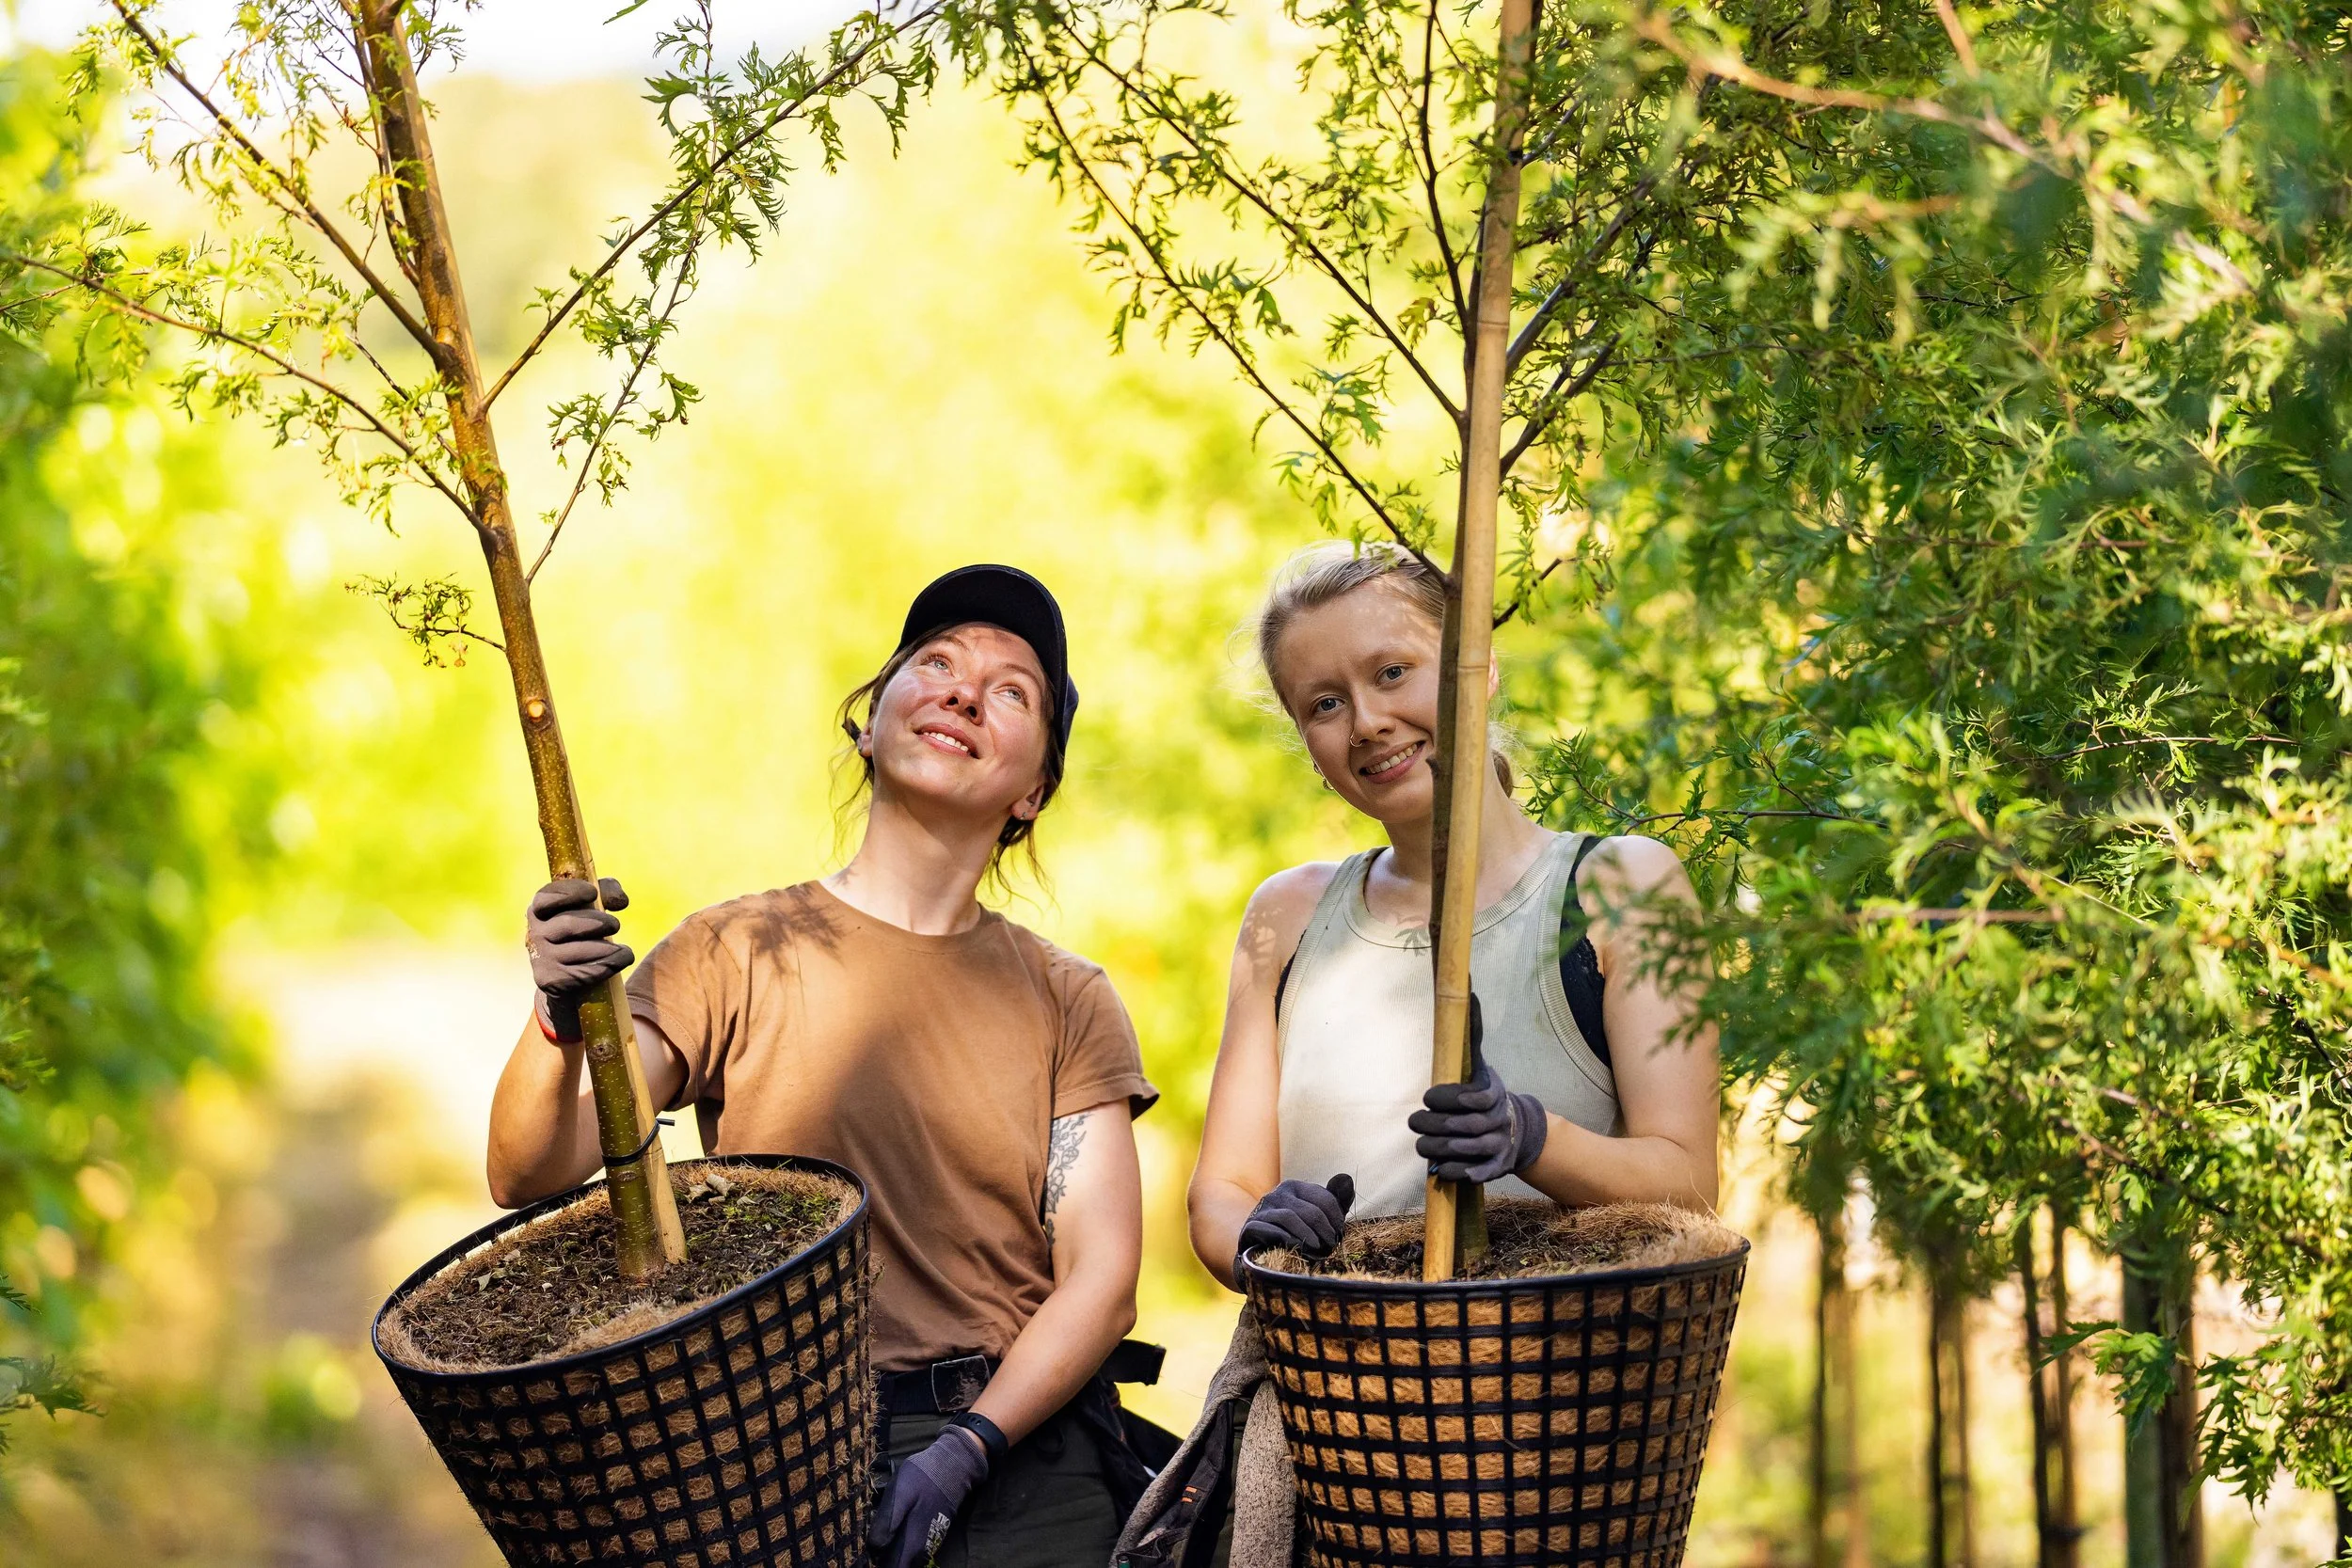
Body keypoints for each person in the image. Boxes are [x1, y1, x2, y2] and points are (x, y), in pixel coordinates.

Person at [486, 565, 1159, 1568]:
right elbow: (527, 1169)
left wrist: (970, 1447)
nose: (964, 693)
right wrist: (556, 1018)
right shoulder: (734, 950)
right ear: (870, 720)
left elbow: (1101, 1281)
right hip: (778, 1456)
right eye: (936, 663)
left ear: (1034, 790)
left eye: (1012, 690)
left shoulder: (1067, 996)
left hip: (1024, 1463)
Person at [1188, 542, 1721, 1285]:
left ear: (1481, 668)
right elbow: (1220, 1192)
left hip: (1549, 1353)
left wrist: (1533, 1137)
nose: (1367, 721)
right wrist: (1254, 1235)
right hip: (1327, 1356)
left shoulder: (1617, 886)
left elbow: (1690, 1185)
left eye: (1392, 672)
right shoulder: (1288, 914)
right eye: (1325, 704)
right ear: (1307, 745)